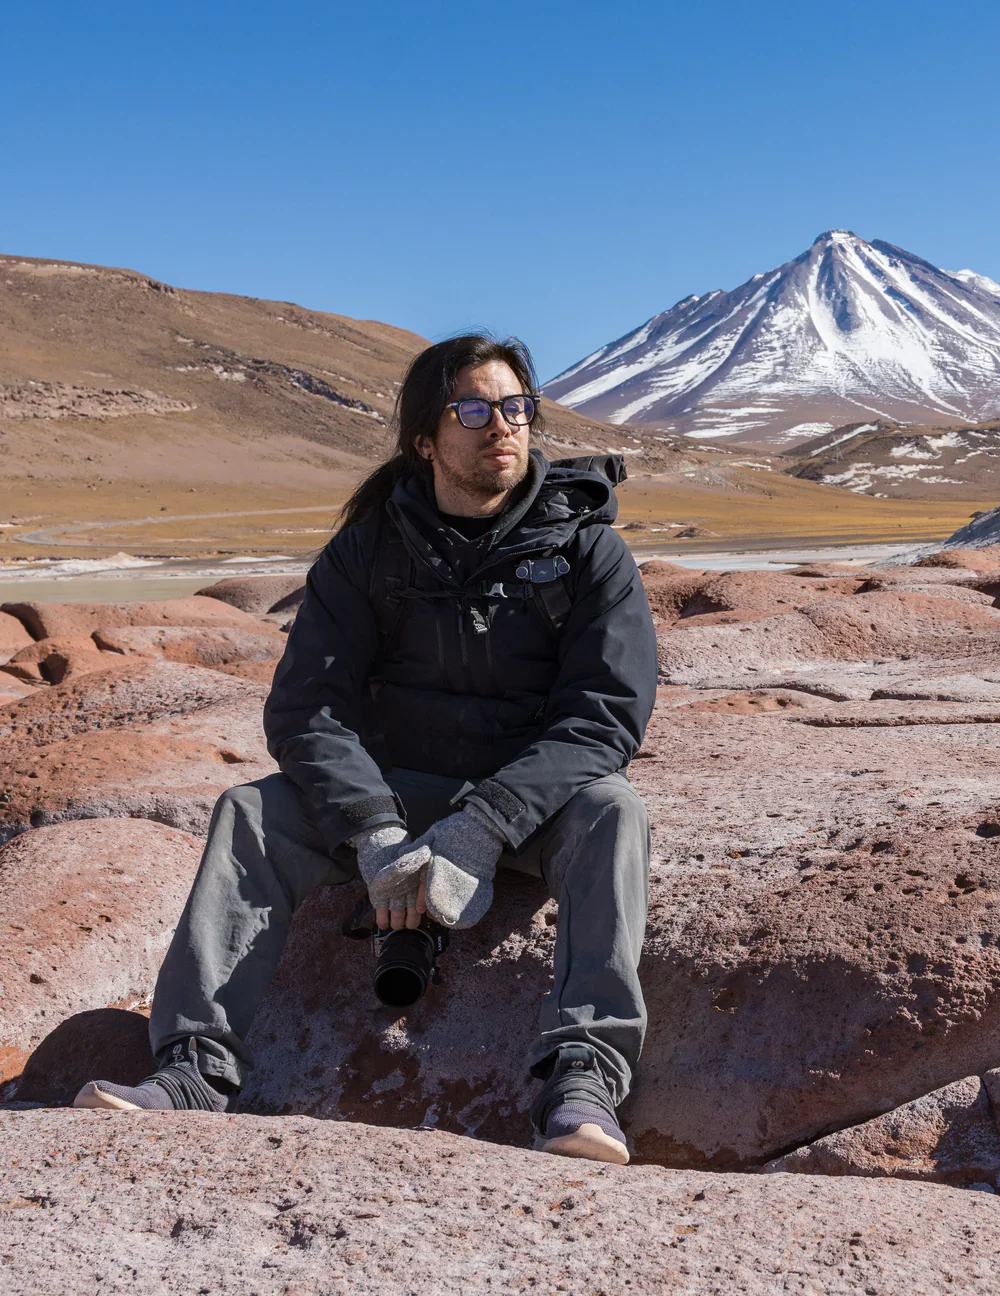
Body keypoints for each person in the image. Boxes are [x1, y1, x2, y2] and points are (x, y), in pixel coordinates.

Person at [75, 334, 658, 1166]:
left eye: (517, 408)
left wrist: (486, 821)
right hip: (390, 795)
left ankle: (583, 1081)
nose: (502, 426)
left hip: (524, 808)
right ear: (426, 439)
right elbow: (308, 706)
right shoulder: (368, 550)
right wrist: (373, 830)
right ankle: (194, 1071)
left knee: (612, 811)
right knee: (251, 811)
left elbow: (605, 716)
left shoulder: (586, 551)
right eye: (474, 409)